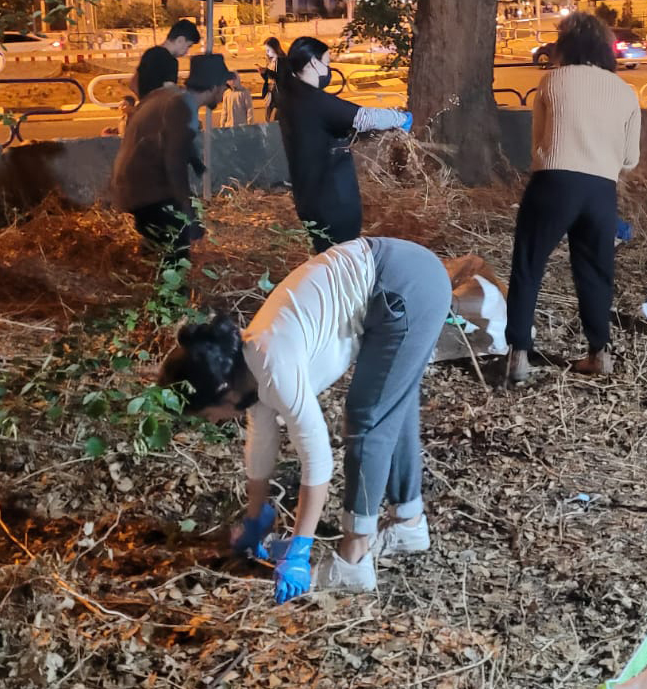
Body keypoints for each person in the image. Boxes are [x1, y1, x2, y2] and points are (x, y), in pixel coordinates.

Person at [158, 237, 451, 603]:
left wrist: (300, 548)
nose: (211, 421)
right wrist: (254, 519)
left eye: (205, 414)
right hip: (401, 274)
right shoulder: (245, 367)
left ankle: (353, 561)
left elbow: (317, 459)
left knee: (367, 420)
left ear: (221, 391)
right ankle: (408, 523)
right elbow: (262, 443)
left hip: (404, 285)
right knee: (393, 402)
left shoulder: (273, 362)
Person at [504, 12, 641, 382]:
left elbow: (538, 144)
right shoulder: (625, 92)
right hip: (601, 191)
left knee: (529, 265)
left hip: (553, 183)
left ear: (565, 46)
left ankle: (518, 355)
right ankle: (599, 352)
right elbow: (631, 158)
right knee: (596, 271)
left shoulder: (552, 82)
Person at [275, 36, 412, 253]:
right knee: (341, 257)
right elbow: (364, 117)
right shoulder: (314, 100)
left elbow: (328, 130)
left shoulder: (289, 97)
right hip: (333, 201)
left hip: (308, 198)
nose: (328, 70)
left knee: (325, 255)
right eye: (327, 64)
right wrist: (400, 119)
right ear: (313, 63)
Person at [111, 54, 230, 269]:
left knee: (157, 254)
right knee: (176, 258)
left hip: (134, 187)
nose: (224, 92)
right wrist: (189, 214)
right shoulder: (184, 108)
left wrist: (196, 163)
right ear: (214, 87)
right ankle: (171, 299)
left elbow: (173, 139)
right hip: (150, 192)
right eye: (224, 86)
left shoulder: (172, 96)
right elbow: (174, 164)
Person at [130, 20, 201, 100]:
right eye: (188, 46)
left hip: (145, 109)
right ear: (180, 40)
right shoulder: (171, 62)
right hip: (160, 110)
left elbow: (133, 84)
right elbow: (169, 94)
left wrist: (145, 102)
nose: (187, 52)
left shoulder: (150, 53)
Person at [259, 37, 285, 123]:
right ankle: (269, 135)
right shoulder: (271, 61)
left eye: (268, 50)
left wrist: (267, 71)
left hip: (279, 93)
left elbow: (280, 77)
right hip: (270, 93)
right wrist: (263, 73)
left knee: (277, 119)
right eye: (266, 50)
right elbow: (268, 78)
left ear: (274, 48)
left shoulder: (281, 60)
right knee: (267, 119)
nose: (266, 52)